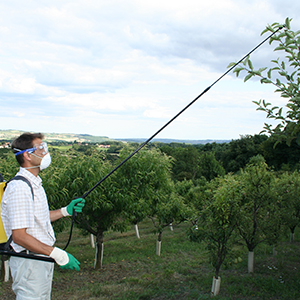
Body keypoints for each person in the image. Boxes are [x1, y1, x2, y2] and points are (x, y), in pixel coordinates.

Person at [1, 132, 85, 300]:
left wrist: (65, 211)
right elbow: (19, 236)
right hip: (29, 261)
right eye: (41, 148)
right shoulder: (20, 188)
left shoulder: (34, 183)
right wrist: (57, 254)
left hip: (39, 258)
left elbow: (37, 218)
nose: (46, 152)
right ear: (27, 155)